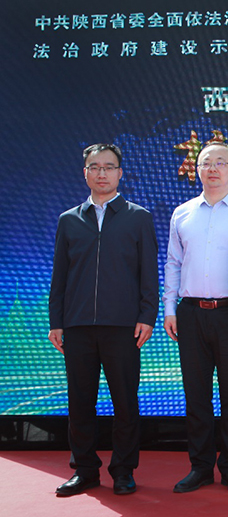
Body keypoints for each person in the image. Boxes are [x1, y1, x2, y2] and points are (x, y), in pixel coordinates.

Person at [49, 143, 159, 497]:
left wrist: (147, 315)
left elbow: (149, 273)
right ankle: (84, 470)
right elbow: (60, 276)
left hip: (123, 326)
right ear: (85, 173)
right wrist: (56, 321)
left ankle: (123, 471)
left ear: (120, 173)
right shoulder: (69, 220)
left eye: (109, 167)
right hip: (78, 325)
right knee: (80, 401)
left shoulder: (138, 217)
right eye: (94, 167)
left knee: (125, 401)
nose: (102, 173)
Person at [163, 142, 228, 493]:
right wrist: (170, 308)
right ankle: (201, 466)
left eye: (221, 162)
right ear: (197, 170)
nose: (213, 169)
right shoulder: (182, 213)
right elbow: (173, 262)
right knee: (196, 395)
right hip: (191, 313)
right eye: (206, 163)